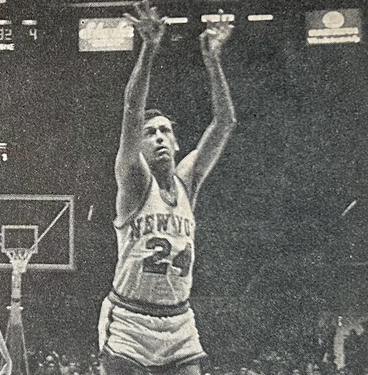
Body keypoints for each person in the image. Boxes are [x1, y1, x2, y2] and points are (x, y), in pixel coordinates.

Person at [97, 1, 236, 374]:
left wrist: (213, 61)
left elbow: (224, 122)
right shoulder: (134, 180)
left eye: (165, 131)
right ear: (138, 147)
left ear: (176, 144)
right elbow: (130, 108)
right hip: (130, 320)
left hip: (179, 322)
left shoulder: (187, 180)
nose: (159, 137)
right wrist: (149, 47)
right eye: (150, 133)